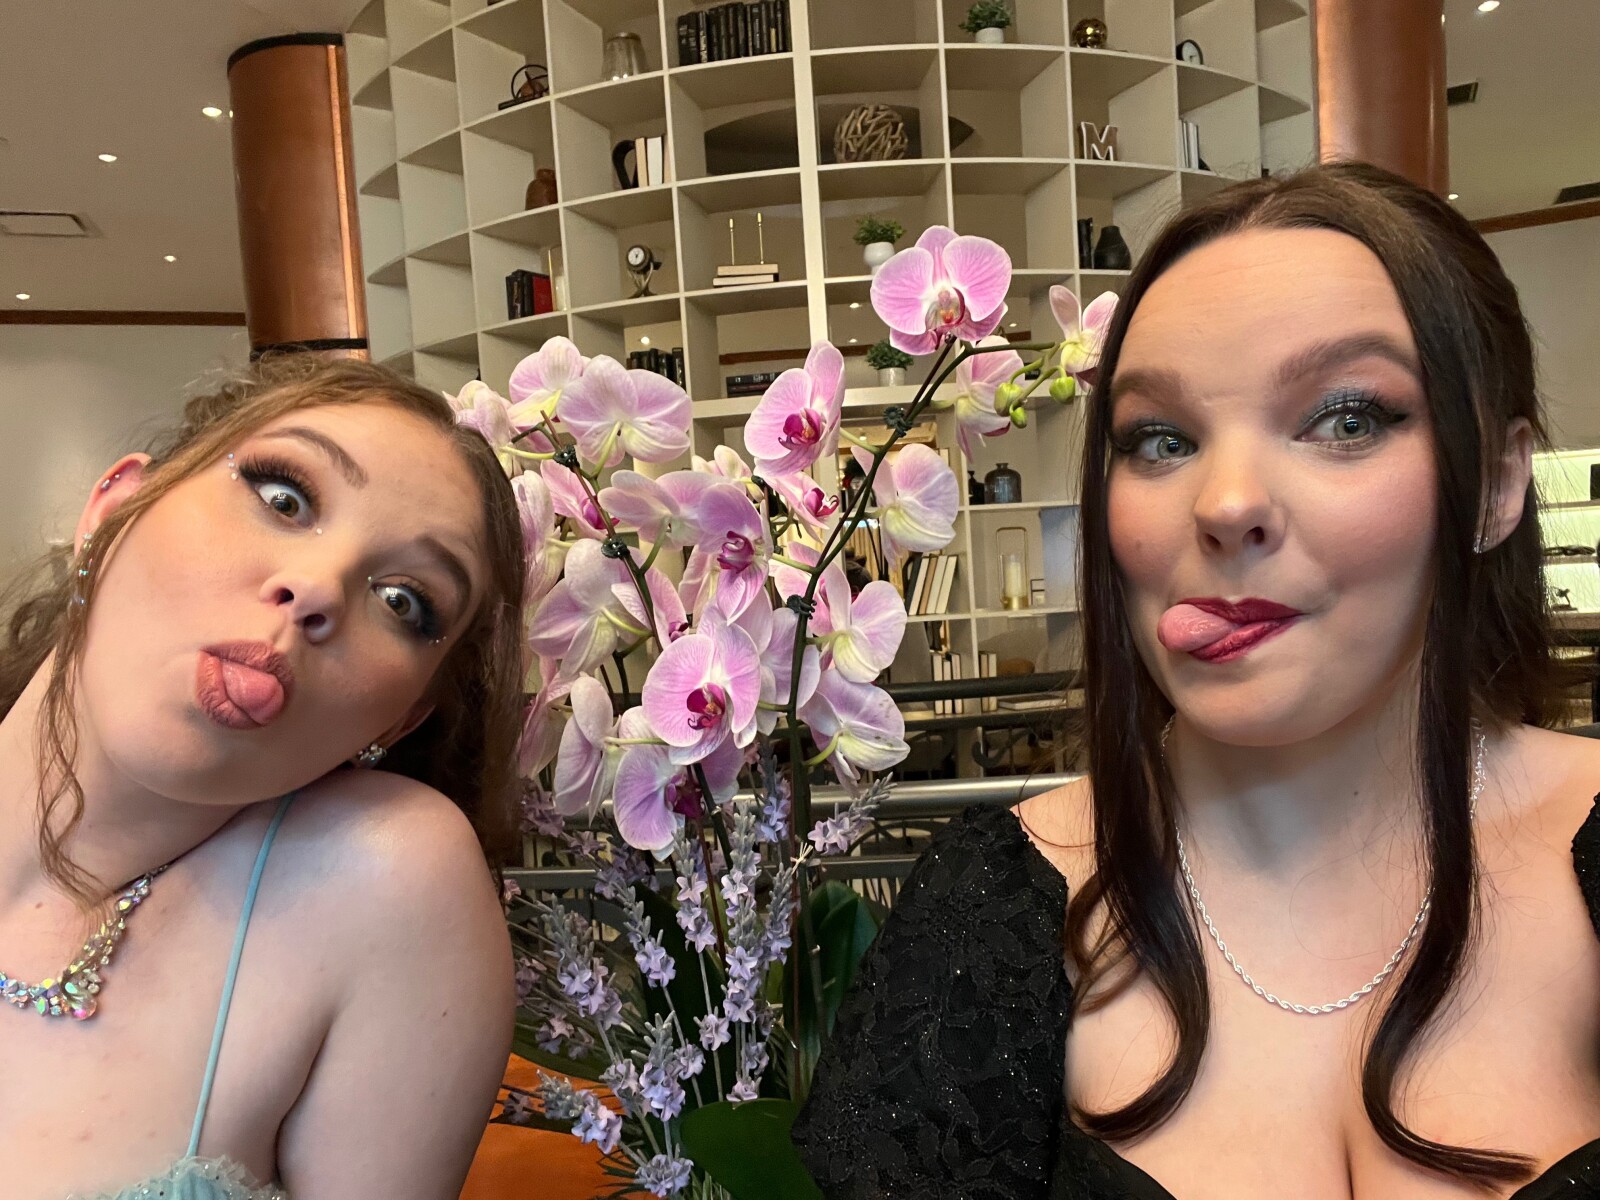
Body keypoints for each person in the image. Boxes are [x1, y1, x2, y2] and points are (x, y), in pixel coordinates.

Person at [792, 162, 1600, 1198]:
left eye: (1346, 419)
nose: (1223, 504)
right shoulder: (988, 918)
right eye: (1161, 440)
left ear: (1495, 482)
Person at [0, 356, 525, 1199]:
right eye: (284, 498)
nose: (318, 589)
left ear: (399, 721)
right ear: (112, 508)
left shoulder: (386, 880)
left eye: (403, 601)